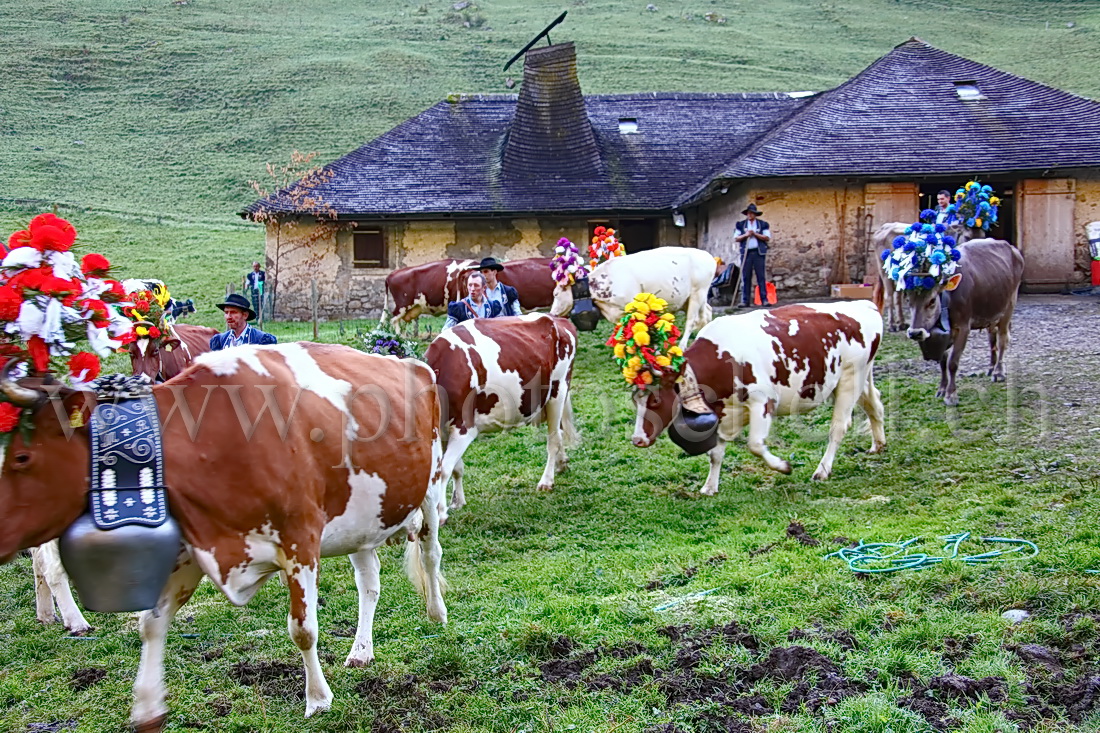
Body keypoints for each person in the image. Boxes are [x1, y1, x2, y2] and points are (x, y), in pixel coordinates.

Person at [734, 203, 773, 307]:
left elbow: (767, 237)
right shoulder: (741, 225)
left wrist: (755, 234)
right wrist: (746, 235)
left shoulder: (763, 224)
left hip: (758, 253)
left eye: (752, 213)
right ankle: (745, 301)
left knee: (761, 276)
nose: (750, 215)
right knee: (746, 276)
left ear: (755, 214)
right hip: (746, 253)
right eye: (748, 213)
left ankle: (764, 299)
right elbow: (736, 238)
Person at [209, 293, 278, 350]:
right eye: (226, 313)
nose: (228, 317)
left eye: (233, 312)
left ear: (245, 315)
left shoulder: (260, 339)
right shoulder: (221, 340)